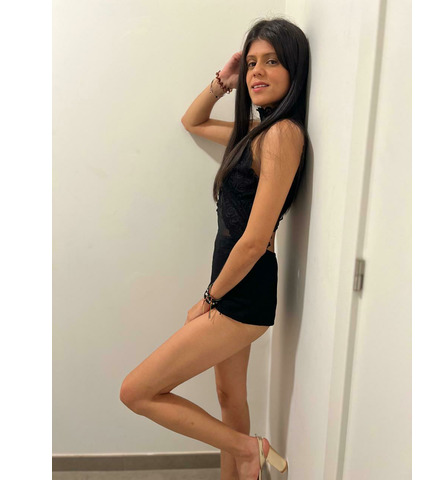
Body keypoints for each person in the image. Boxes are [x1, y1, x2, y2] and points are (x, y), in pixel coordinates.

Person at [120, 17, 310, 480]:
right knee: (230, 399)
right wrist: (224, 81)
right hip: (233, 283)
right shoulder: (255, 133)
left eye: (271, 61)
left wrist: (208, 299)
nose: (257, 71)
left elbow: (253, 239)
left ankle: (249, 450)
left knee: (137, 391)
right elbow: (193, 121)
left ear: (295, 70)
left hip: (241, 292)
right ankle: (242, 461)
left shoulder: (282, 135)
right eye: (252, 63)